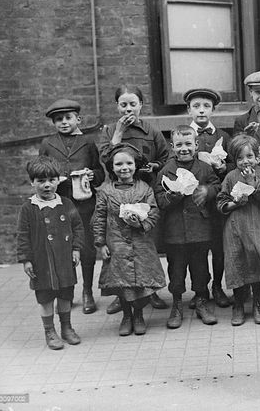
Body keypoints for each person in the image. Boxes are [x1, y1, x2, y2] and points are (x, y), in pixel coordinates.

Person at [98, 85, 169, 314]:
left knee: (144, 245)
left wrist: (154, 166)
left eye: (133, 104)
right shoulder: (110, 130)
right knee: (120, 246)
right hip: (118, 192)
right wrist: (117, 133)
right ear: (117, 106)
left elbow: (165, 156)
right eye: (123, 104)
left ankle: (150, 291)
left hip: (144, 190)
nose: (128, 109)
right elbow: (105, 158)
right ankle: (123, 294)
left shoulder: (151, 130)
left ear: (141, 105)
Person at [92, 143, 166, 336]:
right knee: (122, 283)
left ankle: (139, 314)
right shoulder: (105, 192)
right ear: (112, 168)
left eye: (128, 163)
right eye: (119, 164)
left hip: (141, 242)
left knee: (141, 282)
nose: (124, 168)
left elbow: (154, 212)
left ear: (135, 165)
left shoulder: (144, 188)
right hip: (116, 244)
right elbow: (99, 217)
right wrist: (100, 243)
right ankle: (126, 315)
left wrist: (142, 224)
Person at [40, 99, 105, 314]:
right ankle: (67, 292)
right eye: (59, 119)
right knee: (62, 250)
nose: (64, 122)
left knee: (86, 248)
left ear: (78, 119)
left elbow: (100, 172)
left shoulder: (87, 142)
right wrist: (51, 179)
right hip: (58, 204)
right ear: (54, 123)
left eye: (68, 118)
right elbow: (40, 171)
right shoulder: (48, 144)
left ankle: (87, 292)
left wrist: (91, 175)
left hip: (84, 204)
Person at [154, 126, 221, 327]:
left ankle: (201, 300)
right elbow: (158, 197)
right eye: (179, 145)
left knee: (200, 267)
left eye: (188, 144)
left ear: (196, 145)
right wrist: (170, 196)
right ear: (172, 147)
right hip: (175, 231)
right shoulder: (166, 170)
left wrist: (207, 191)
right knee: (176, 269)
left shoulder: (205, 168)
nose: (184, 149)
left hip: (199, 227)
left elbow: (218, 185)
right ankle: (177, 305)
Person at [17, 156, 84, 350]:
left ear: (58, 180)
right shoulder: (28, 208)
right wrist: (26, 260)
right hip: (42, 261)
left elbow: (78, 227)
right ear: (32, 183)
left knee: (65, 294)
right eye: (41, 181)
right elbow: (22, 235)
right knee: (45, 297)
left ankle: (67, 327)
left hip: (64, 259)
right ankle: (49, 331)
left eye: (51, 180)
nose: (47, 185)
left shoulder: (66, 204)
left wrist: (76, 248)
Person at [217, 135, 260, 326]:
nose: (245, 161)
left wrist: (254, 183)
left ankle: (258, 303)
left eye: (249, 156)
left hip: (258, 224)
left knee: (256, 260)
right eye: (240, 158)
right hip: (235, 226)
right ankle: (238, 304)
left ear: (257, 156)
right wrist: (234, 204)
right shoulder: (230, 176)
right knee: (237, 261)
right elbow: (221, 201)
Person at [185, 88, 233, 309]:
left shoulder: (223, 136)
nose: (201, 110)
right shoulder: (184, 136)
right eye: (196, 106)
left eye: (206, 106)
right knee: (198, 248)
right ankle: (200, 290)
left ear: (213, 110)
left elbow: (235, 164)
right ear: (189, 110)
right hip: (194, 204)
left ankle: (217, 286)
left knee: (219, 248)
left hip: (217, 202)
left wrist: (224, 166)